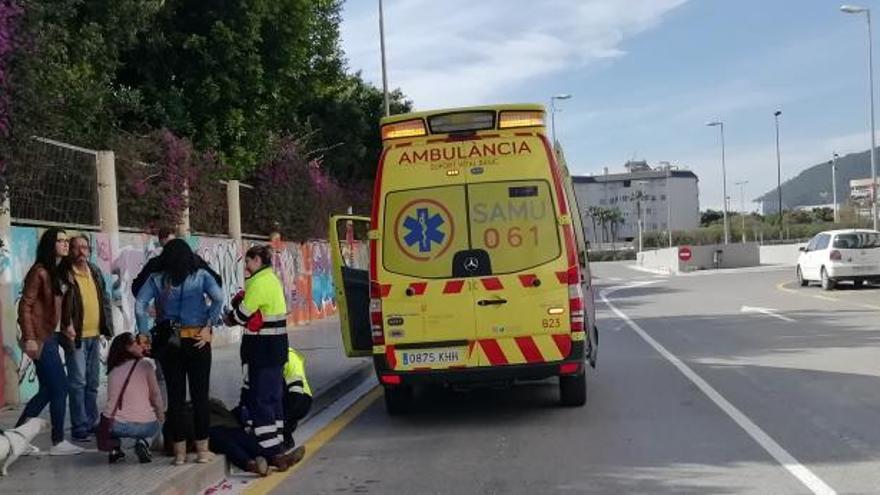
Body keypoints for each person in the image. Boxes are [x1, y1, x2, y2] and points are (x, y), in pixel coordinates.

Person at [135, 239, 224, 465]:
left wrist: (144, 334)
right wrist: (208, 327)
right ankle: (203, 451)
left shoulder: (156, 279)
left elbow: (139, 305)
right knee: (200, 396)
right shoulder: (201, 276)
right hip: (197, 341)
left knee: (175, 399)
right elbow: (219, 298)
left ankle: (180, 454)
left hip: (170, 344)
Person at [15, 228, 83, 456]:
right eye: (60, 241)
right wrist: (30, 338)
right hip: (42, 339)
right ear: (49, 244)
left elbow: (62, 306)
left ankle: (17, 437)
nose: (65, 244)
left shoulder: (61, 272)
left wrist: (67, 326)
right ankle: (58, 441)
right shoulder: (40, 271)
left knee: (46, 390)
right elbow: (25, 305)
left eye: (66, 241)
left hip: (53, 336)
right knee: (60, 388)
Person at [225, 245, 290, 466]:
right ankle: (278, 444)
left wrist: (229, 317)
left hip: (262, 350)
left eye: (248, 262)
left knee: (260, 399)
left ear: (257, 261)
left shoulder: (259, 283)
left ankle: (270, 450)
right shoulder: (273, 280)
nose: (246, 267)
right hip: (277, 349)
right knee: (274, 397)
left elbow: (243, 314)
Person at [61, 235, 114, 441]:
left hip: (95, 334)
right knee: (77, 382)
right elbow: (62, 305)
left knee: (92, 383)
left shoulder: (95, 271)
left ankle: (91, 422)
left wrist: (108, 327)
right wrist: (67, 325)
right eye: (77, 248)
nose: (82, 252)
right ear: (71, 251)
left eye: (85, 247)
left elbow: (105, 298)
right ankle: (79, 426)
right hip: (77, 338)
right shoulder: (66, 274)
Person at [103, 333, 164, 464]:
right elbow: (155, 396)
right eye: (135, 343)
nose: (139, 344)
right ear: (127, 348)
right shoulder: (146, 365)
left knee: (108, 417)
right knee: (158, 418)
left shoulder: (112, 369)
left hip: (113, 425)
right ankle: (143, 442)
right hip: (142, 426)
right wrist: (161, 417)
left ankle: (115, 449)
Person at [131, 226, 220, 298]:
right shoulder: (156, 259)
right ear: (162, 242)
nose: (173, 246)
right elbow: (138, 286)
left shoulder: (157, 262)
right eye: (170, 243)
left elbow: (216, 280)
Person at [281, 347, 312, 450]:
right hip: (293, 397)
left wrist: (284, 418)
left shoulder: (289, 356)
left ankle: (285, 436)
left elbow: (296, 393)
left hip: (301, 398)